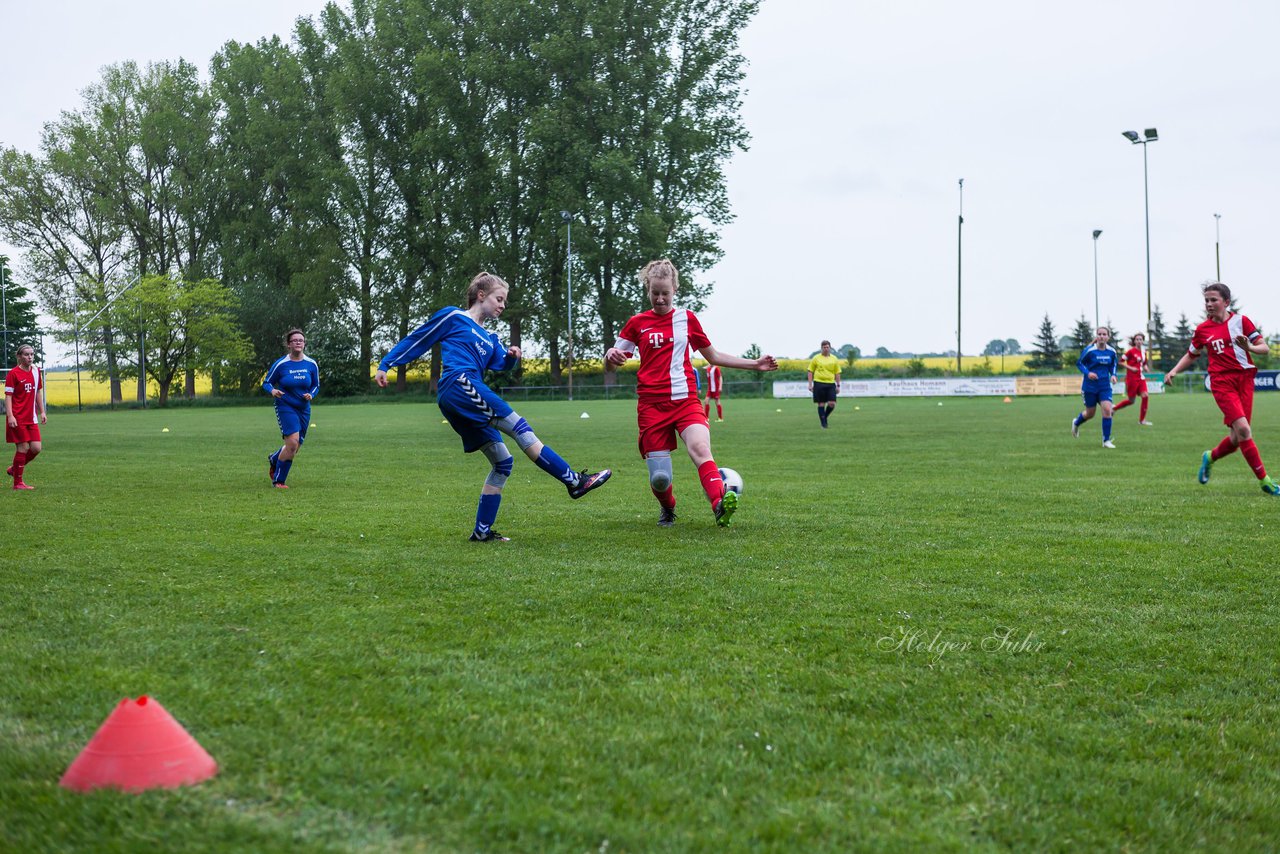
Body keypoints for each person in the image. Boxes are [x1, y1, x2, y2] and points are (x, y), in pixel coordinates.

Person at [376, 271, 611, 541]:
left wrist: (513, 357)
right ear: (481, 295)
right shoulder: (454, 317)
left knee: (503, 462)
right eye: (499, 299)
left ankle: (482, 532)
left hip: (460, 397)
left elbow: (500, 364)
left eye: (504, 301)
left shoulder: (491, 339)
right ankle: (574, 482)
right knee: (519, 427)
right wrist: (386, 364)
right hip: (460, 384)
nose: (502, 305)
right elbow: (419, 338)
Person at [606, 259, 777, 527]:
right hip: (651, 406)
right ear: (648, 290)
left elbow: (714, 355)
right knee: (660, 479)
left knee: (700, 448)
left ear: (675, 289)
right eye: (655, 293)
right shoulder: (637, 323)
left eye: (666, 293)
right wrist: (610, 356)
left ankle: (719, 504)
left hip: (686, 401)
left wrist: (755, 364)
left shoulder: (687, 319)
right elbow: (612, 363)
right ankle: (668, 507)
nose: (660, 299)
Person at [1165, 282, 1279, 495]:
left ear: (1226, 302)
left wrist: (1250, 347)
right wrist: (1173, 371)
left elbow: (1264, 348)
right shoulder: (1202, 330)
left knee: (1237, 439)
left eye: (1213, 300)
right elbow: (1192, 353)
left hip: (1244, 380)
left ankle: (1210, 457)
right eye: (1206, 300)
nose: (1209, 304)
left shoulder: (1241, 322)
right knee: (1244, 430)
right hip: (1221, 382)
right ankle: (1265, 481)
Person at [262, 329, 319, 489]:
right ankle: (279, 481)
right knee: (292, 444)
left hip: (304, 409)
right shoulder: (281, 364)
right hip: (285, 406)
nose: (298, 342)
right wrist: (273, 391)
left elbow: (316, 385)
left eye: (301, 340)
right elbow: (267, 383)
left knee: (295, 447)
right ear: (289, 344)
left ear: (304, 343)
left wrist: (311, 395)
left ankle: (274, 458)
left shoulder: (311, 364)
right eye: (294, 340)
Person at [4, 343, 46, 490]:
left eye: (32, 354)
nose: (30, 357)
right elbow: (8, 396)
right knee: (23, 447)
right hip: (17, 417)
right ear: (19, 356)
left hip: (31, 417)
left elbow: (38, 392)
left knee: (36, 448)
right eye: (26, 354)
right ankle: (18, 483)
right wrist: (10, 416)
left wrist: (42, 411)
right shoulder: (13, 374)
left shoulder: (36, 371)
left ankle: (14, 469)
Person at [1070, 326, 1119, 448]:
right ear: (1096, 336)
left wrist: (1113, 375)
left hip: (1104, 386)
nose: (1102, 336)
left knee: (1107, 410)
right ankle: (1076, 422)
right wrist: (1088, 373)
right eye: (1099, 334)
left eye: (1104, 334)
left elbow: (1113, 365)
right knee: (1090, 414)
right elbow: (1079, 363)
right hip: (1090, 387)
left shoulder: (1112, 352)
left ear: (1108, 337)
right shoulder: (1089, 351)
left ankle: (1106, 441)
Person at [1112, 332, 1153, 425]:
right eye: (1137, 339)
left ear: (1143, 341)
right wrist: (1131, 368)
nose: (1139, 341)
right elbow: (1121, 362)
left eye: (1140, 339)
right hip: (1131, 378)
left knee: (1145, 396)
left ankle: (1142, 420)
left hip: (1141, 378)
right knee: (1131, 401)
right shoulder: (1130, 351)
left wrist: (1146, 369)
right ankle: (1114, 408)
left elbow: (1144, 363)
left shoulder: (1144, 352)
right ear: (1134, 341)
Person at [807, 340, 841, 428]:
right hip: (819, 383)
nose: (826, 349)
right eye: (824, 347)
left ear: (830, 348)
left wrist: (838, 385)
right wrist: (810, 384)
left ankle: (824, 417)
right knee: (821, 403)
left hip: (830, 383)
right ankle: (823, 424)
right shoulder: (816, 358)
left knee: (832, 403)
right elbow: (810, 371)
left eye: (827, 347)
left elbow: (837, 373)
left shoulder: (834, 359)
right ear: (821, 348)